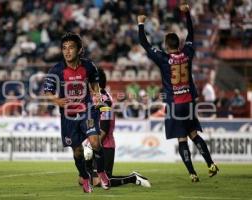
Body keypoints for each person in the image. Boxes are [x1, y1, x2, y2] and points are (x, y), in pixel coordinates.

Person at [137, 4, 219, 182]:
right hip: (189, 101)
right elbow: (191, 33)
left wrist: (141, 24)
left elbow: (144, 43)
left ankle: (192, 173)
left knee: (182, 139)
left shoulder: (163, 58)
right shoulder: (188, 52)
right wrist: (187, 13)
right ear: (179, 44)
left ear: (166, 46)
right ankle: (210, 164)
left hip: (174, 105)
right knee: (194, 135)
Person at [43, 32, 110, 193]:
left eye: (71, 47)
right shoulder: (56, 70)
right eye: (64, 48)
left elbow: (95, 84)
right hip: (68, 116)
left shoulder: (88, 66)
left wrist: (96, 94)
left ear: (79, 49)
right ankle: (85, 177)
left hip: (87, 110)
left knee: (95, 142)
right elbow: (47, 91)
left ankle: (101, 172)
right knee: (78, 151)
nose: (67, 51)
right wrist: (57, 101)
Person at [79, 67, 151, 188]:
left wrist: (91, 146)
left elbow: (104, 129)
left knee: (101, 182)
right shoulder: (92, 98)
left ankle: (133, 178)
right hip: (93, 142)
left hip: (104, 145)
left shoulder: (105, 100)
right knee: (82, 180)